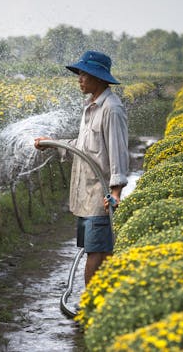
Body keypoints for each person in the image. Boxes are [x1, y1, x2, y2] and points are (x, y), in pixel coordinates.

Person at [35, 50, 129, 285]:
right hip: (86, 194)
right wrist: (52, 144)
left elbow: (118, 151)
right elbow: (83, 147)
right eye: (79, 74)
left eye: (84, 74)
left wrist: (115, 192)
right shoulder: (90, 108)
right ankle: (101, 303)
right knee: (98, 250)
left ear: (98, 77)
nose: (79, 78)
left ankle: (92, 305)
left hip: (101, 196)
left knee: (97, 252)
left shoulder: (111, 109)